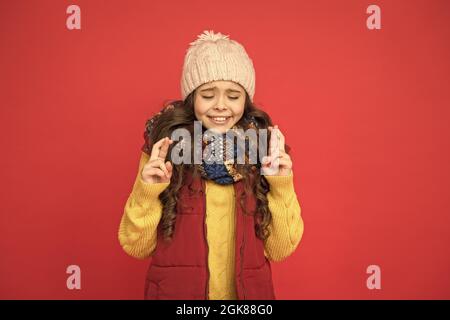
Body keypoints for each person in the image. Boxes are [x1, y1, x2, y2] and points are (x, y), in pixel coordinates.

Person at [118, 30, 304, 300]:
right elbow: (136, 246)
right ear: (192, 98)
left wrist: (281, 185)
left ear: (246, 99)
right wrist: (147, 190)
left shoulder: (264, 151)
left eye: (233, 95)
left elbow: (281, 249)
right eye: (208, 95)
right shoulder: (165, 149)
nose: (220, 106)